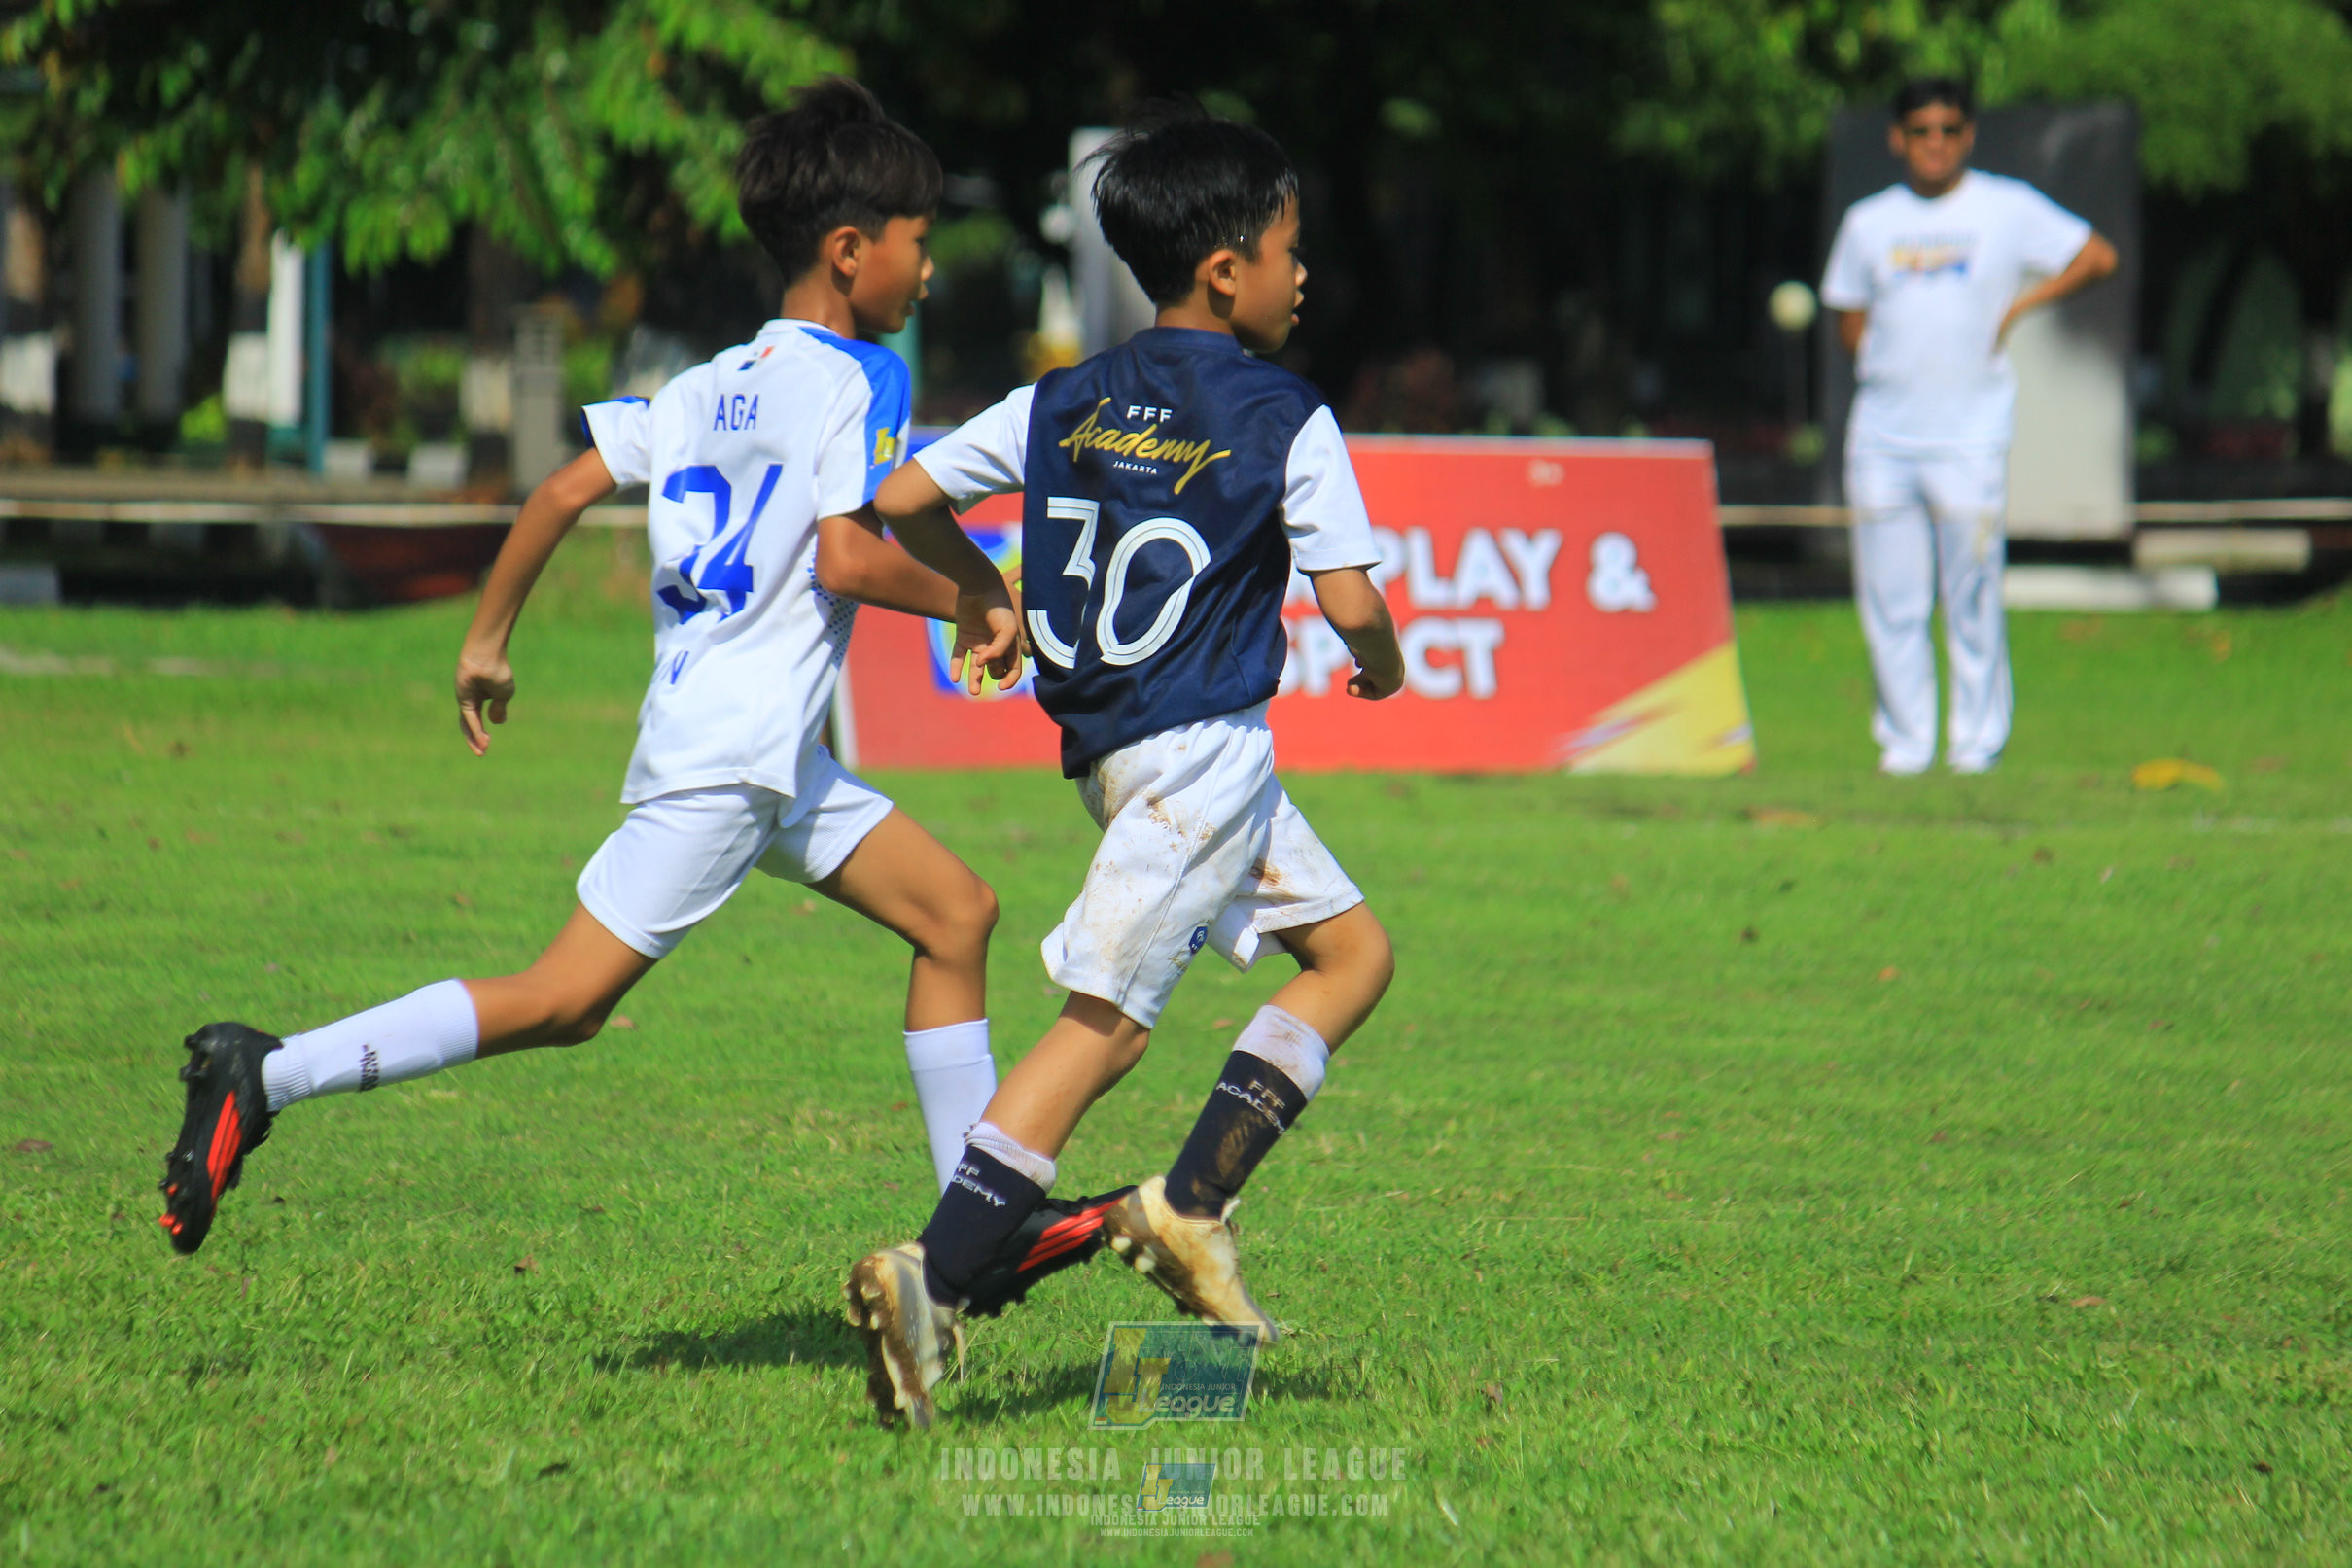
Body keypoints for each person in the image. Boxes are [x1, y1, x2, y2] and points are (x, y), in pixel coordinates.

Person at [157, 81, 1123, 1310]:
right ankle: (265, 1072)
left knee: (956, 912)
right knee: (565, 1000)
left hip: (760, 750)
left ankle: (975, 1232)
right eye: (918, 241)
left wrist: (486, 643)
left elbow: (562, 490)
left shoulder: (702, 383)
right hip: (733, 759)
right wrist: (974, 601)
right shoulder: (860, 377)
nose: (928, 269)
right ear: (849, 250)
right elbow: (843, 556)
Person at [840, 104, 1407, 1429]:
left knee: (1351, 954)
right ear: (1226, 269)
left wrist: (986, 593)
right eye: (1289, 250)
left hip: (1125, 753)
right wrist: (1380, 666)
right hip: (1200, 758)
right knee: (1105, 1023)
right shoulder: (1284, 413)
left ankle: (1189, 1204)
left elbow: (904, 497)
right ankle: (937, 1273)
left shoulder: (1060, 398)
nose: (1302, 275)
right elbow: (1348, 598)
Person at [1821, 76, 2118, 775]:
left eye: (1948, 130)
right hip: (1883, 439)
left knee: (1972, 593)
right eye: (1921, 131)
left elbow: (2097, 257)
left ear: (1968, 135)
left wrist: (2019, 307)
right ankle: (1905, 744)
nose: (1935, 144)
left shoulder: (2004, 207)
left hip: (1968, 437)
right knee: (1891, 600)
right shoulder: (1869, 222)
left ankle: (1975, 743)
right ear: (1897, 139)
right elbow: (1848, 317)